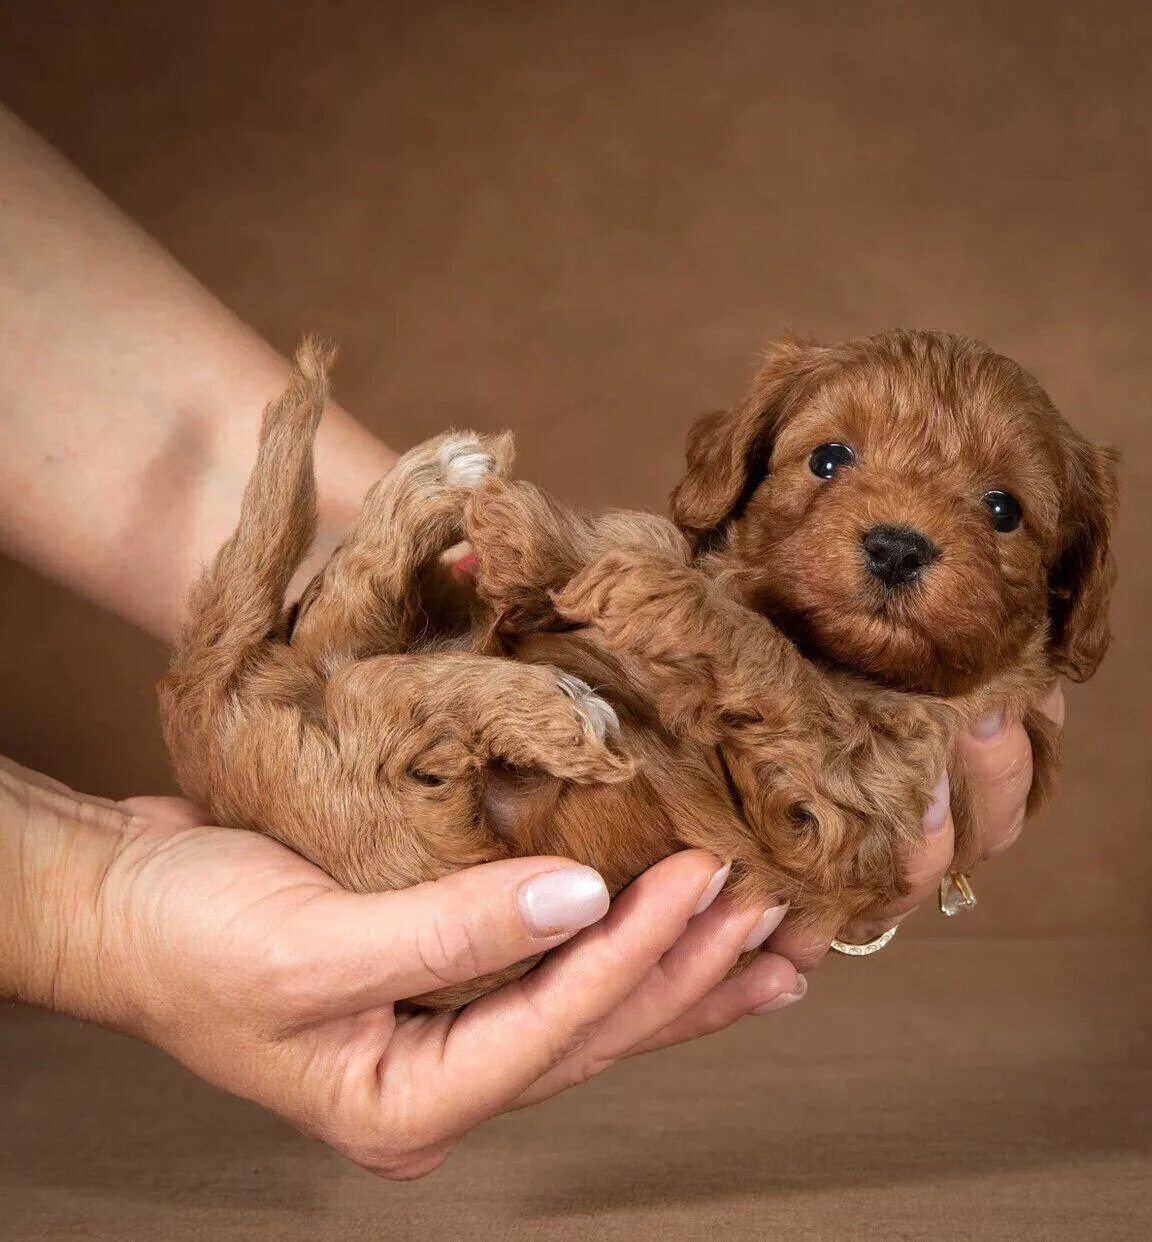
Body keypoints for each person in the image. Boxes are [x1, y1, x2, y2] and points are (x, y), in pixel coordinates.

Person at [0, 106, 1060, 1180]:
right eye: (830, 459)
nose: (902, 532)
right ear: (736, 474)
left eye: (1003, 512)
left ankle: (376, 627)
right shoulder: (675, 565)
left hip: (429, 791)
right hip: (412, 782)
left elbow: (818, 797)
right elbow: (616, 604)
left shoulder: (891, 704)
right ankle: (383, 644)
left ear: (1071, 588)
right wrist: (75, 906)